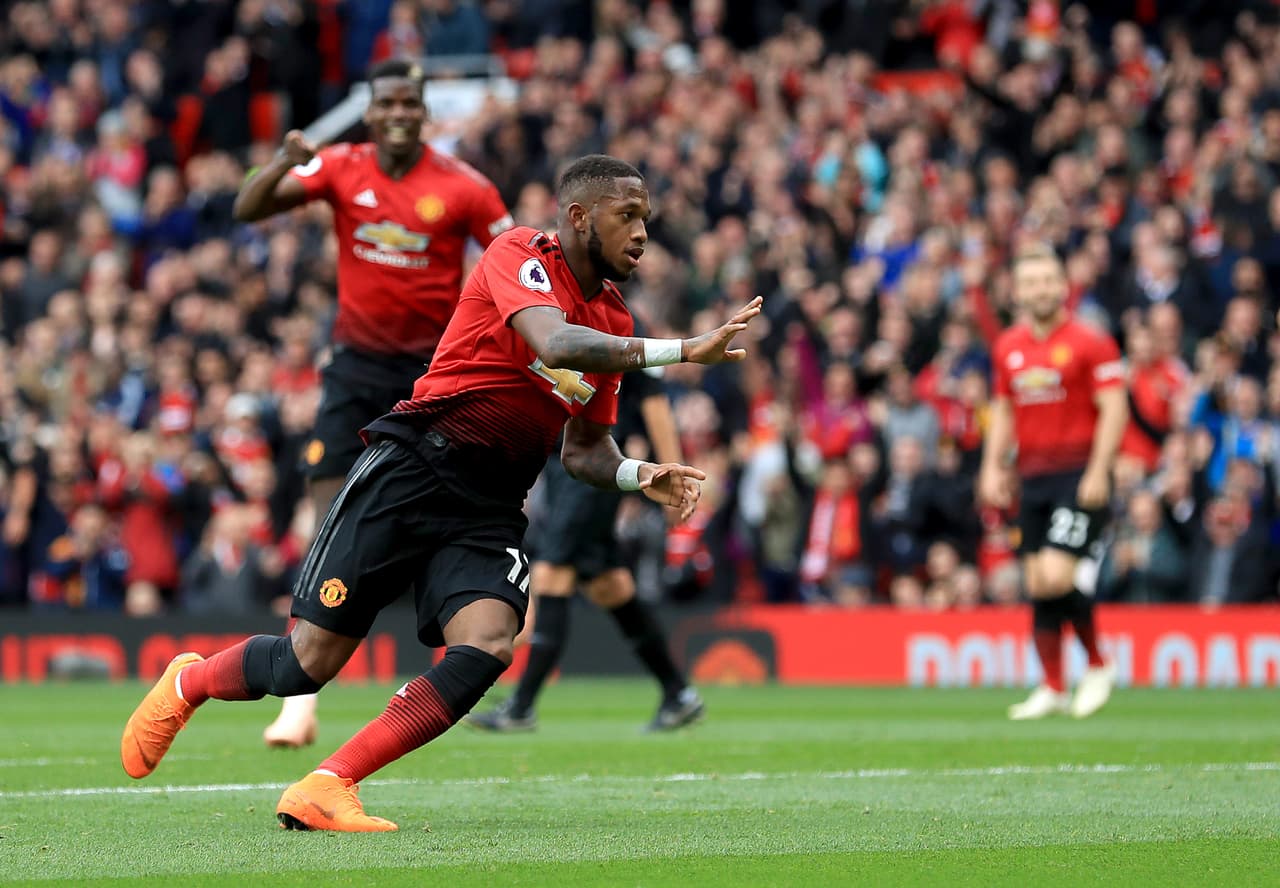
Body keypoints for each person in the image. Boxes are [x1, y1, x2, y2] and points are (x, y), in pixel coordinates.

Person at [120, 155, 762, 833]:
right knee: (305, 665)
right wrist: (686, 348)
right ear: (579, 217)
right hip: (414, 467)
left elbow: (584, 451)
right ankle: (188, 682)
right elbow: (556, 340)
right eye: (626, 215)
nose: (641, 233)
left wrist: (639, 474)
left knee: (488, 642)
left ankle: (329, 783)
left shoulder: (613, 316)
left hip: (485, 508)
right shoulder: (521, 254)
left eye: (646, 220)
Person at [232, 58, 513, 748]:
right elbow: (248, 207)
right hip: (354, 369)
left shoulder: (464, 188)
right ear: (370, 108)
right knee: (329, 510)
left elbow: (512, 261)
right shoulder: (336, 167)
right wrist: (281, 163)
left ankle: (423, 676)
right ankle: (300, 698)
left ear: (424, 113)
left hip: (431, 377)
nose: (397, 113)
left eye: (408, 104)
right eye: (385, 101)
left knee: (438, 514)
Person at [465, 338, 704, 734]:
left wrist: (671, 473)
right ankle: (677, 692)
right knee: (608, 585)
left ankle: (522, 706)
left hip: (597, 463)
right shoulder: (559, 306)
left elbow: (654, 400)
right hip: (564, 464)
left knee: (552, 573)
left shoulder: (624, 322)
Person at [978, 243, 1128, 720]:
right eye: (1030, 282)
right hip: (1032, 476)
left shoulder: (1091, 341)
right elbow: (1003, 410)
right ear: (1018, 292)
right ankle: (1053, 686)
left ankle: (1100, 664)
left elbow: (1114, 407)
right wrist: (992, 466)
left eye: (1048, 280)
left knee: (1059, 575)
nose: (1040, 289)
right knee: (1039, 582)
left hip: (1078, 472)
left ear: (1063, 286)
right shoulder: (1008, 346)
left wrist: (1100, 469)